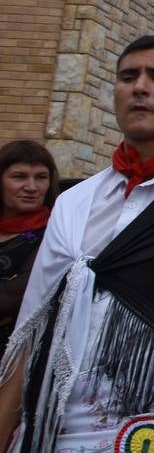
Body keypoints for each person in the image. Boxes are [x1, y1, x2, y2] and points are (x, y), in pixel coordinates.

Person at [0, 35, 154, 450]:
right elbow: (29, 331)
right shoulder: (73, 202)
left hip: (151, 430)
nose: (140, 86)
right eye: (128, 76)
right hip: (49, 428)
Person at [0, 140, 57, 351]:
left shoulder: (54, 235)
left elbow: (12, 298)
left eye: (41, 177)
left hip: (15, 357)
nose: (32, 187)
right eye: (19, 176)